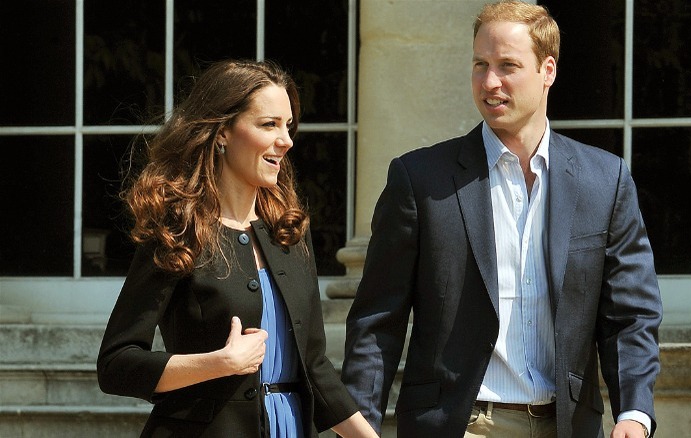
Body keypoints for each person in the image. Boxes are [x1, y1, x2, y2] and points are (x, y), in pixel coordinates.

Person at [341, 2, 662, 438]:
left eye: (507, 66)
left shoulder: (605, 181)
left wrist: (634, 414)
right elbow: (378, 319)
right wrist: (360, 424)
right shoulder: (419, 180)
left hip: (567, 426)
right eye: (480, 65)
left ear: (548, 70)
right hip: (460, 425)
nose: (489, 82)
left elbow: (630, 316)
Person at [97, 59, 378, 438]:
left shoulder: (289, 232)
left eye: (288, 126)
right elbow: (116, 364)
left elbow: (314, 368)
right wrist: (218, 363)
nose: (287, 140)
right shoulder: (177, 231)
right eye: (269, 125)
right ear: (223, 132)